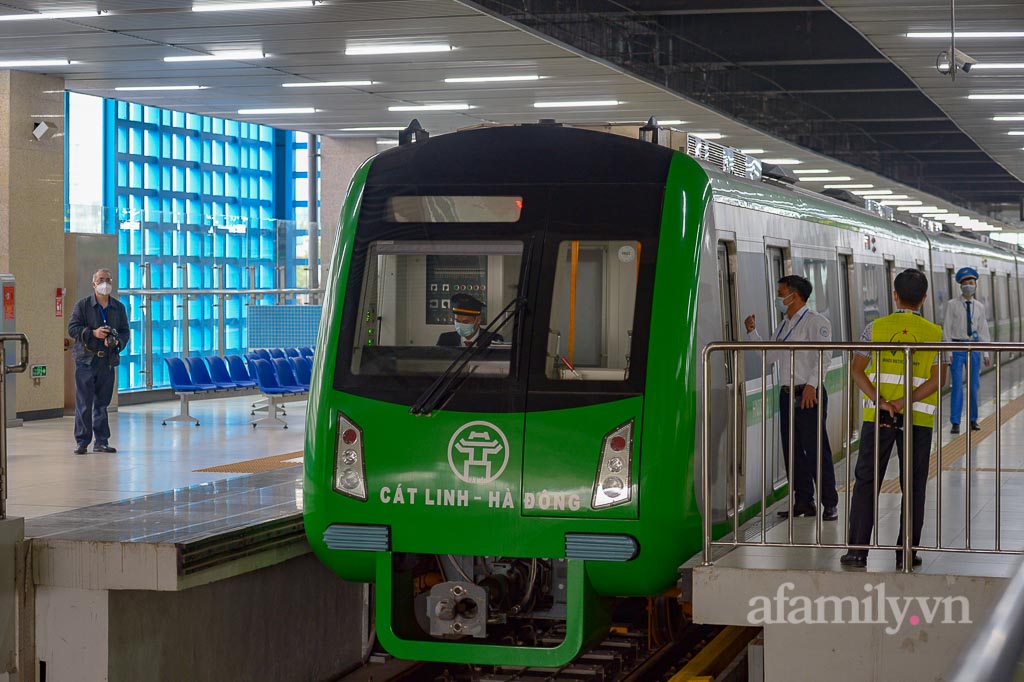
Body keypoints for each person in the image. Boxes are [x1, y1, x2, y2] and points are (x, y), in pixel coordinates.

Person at [841, 269, 947, 569]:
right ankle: (906, 552)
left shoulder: (874, 329)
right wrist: (903, 402)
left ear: (895, 295)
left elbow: (857, 370)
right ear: (924, 299)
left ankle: (857, 551)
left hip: (878, 417)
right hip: (918, 420)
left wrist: (882, 401)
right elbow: (938, 379)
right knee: (913, 484)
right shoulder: (936, 333)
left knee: (866, 481)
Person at [744, 275, 838, 521]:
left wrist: (813, 385)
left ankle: (830, 503)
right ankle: (804, 502)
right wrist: (752, 334)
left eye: (781, 292)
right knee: (793, 450)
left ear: (793, 295)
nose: (778, 297)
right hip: (787, 395)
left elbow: (824, 356)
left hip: (809, 395)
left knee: (817, 450)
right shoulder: (785, 324)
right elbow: (770, 356)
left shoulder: (816, 322)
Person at [68, 269, 130, 455]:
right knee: (84, 403)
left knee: (102, 404)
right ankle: (82, 441)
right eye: (101, 280)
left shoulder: (118, 308)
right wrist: (93, 333)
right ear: (94, 284)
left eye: (108, 280)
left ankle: (101, 441)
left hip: (107, 361)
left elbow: (125, 331)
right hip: (86, 361)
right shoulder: (83, 305)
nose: (105, 283)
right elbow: (72, 329)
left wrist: (118, 341)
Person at [943, 266, 991, 434]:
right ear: (960, 286)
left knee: (974, 386)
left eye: (971, 282)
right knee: (957, 386)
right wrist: (948, 352)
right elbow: (946, 329)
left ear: (975, 285)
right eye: (965, 283)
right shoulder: (952, 305)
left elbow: (984, 330)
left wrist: (986, 353)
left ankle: (973, 420)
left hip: (974, 348)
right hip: (957, 347)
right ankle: (955, 422)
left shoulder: (979, 307)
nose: (968, 285)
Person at [436, 293, 503, 347]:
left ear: (478, 320)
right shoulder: (445, 340)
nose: (461, 325)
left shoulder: (493, 340)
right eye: (457, 321)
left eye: (466, 322)